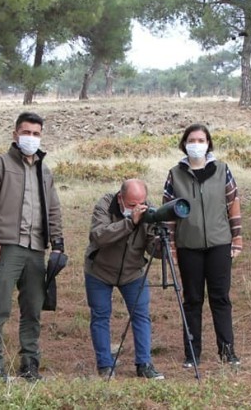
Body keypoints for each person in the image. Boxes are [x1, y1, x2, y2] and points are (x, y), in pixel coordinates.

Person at [0, 112, 64, 382]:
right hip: (6, 247)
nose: (31, 138)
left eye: (36, 134)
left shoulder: (44, 171)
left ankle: (29, 365)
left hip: (37, 249)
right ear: (15, 135)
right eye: (26, 133)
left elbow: (54, 209)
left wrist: (58, 244)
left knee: (33, 310)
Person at [162, 123, 242, 368]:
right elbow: (168, 214)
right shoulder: (175, 174)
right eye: (192, 140)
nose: (196, 144)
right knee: (192, 300)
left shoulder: (222, 170)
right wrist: (171, 248)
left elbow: (233, 204)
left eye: (201, 140)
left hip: (219, 243)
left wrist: (237, 238)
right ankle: (192, 354)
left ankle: (227, 351)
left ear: (209, 144)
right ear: (184, 144)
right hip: (189, 246)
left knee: (220, 298)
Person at [84, 179, 164, 380]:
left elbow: (152, 250)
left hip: (132, 273)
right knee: (101, 315)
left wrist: (162, 242)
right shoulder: (105, 204)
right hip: (99, 271)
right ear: (120, 198)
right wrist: (130, 222)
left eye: (141, 203)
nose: (138, 208)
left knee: (141, 315)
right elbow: (99, 236)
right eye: (131, 205)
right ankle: (105, 365)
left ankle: (144, 364)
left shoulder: (149, 210)